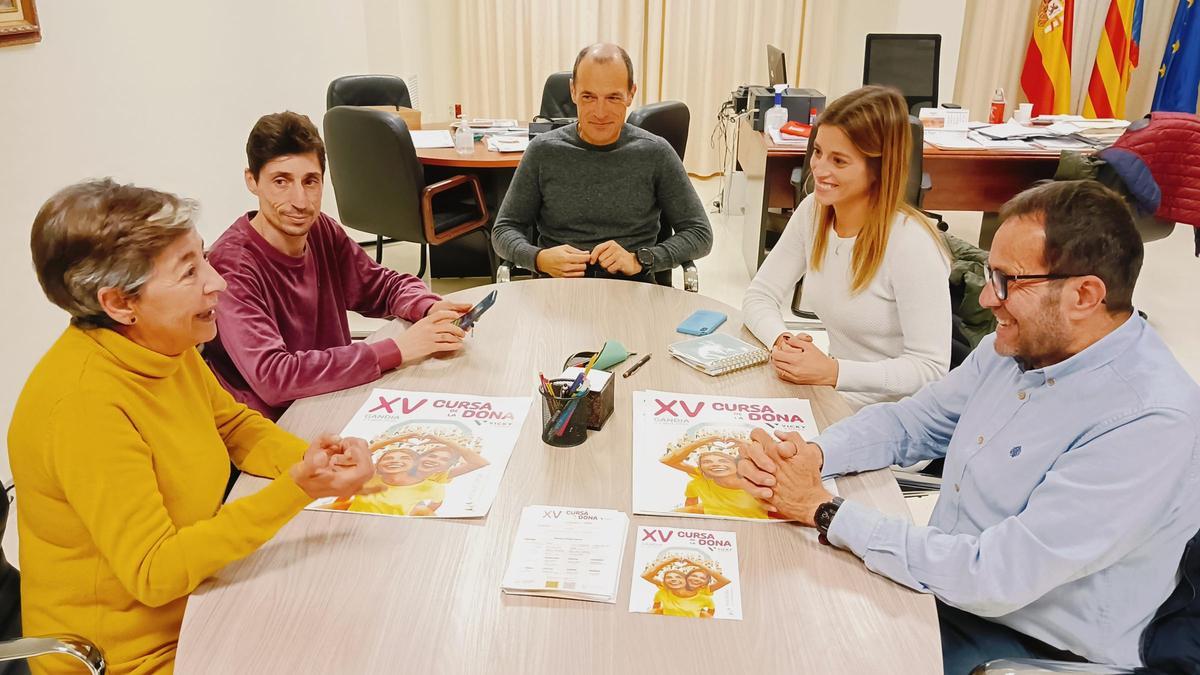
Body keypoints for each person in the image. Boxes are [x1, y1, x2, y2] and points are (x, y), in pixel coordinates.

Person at [736, 180, 1200, 673]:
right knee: (774, 610)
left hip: (1024, 641)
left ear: (1084, 294)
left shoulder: (1147, 422)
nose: (985, 298)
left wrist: (824, 510)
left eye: (1005, 281)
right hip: (944, 583)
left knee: (800, 650)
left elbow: (994, 576)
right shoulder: (1021, 346)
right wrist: (814, 454)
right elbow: (915, 422)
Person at [8, 179, 376, 675]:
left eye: (203, 257)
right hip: (136, 658)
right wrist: (296, 490)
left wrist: (313, 462)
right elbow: (154, 571)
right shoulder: (83, 407)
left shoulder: (162, 345)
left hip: (205, 598)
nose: (217, 281)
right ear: (119, 303)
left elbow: (235, 427)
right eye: (189, 272)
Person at [203, 111, 469, 420]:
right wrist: (397, 349)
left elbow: (380, 286)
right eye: (281, 182)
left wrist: (428, 306)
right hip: (276, 422)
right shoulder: (232, 266)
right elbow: (275, 378)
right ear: (252, 181)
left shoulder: (320, 230)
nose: (300, 201)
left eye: (310, 181)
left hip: (334, 395)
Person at [741, 85, 950, 411]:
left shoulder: (912, 244)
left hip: (896, 416)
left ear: (878, 169)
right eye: (818, 152)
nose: (819, 169)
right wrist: (783, 342)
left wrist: (835, 371)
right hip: (834, 395)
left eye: (839, 161)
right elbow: (759, 296)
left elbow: (930, 369)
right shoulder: (813, 212)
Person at [491, 43, 712, 282]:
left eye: (613, 97)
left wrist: (641, 259)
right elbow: (504, 230)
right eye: (588, 97)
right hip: (558, 288)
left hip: (631, 288)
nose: (600, 112)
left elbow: (699, 233)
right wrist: (539, 258)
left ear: (631, 94)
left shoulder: (656, 153)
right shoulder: (543, 151)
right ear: (573, 91)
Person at [659, 432, 767, 519]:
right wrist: (700, 442)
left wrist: (742, 443)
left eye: (723, 461)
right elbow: (667, 461)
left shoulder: (753, 479)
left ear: (737, 465)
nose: (715, 464)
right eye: (707, 462)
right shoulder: (701, 478)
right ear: (701, 468)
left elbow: (770, 458)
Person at [640, 555, 730, 618]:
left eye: (702, 578)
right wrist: (669, 561)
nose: (697, 579)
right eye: (694, 576)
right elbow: (646, 576)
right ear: (686, 578)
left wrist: (698, 565)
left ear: (704, 584)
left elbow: (725, 581)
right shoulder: (671, 586)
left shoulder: (703, 591)